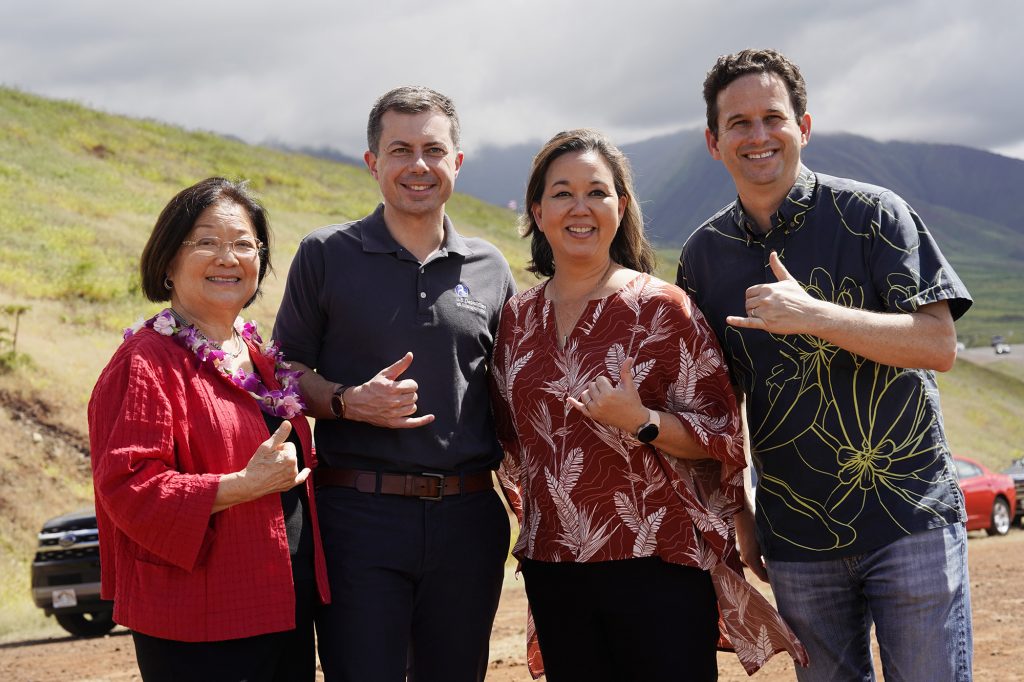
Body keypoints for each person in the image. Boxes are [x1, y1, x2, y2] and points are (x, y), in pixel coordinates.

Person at [676, 49, 974, 682]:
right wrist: (743, 516)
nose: (758, 136)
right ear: (713, 141)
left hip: (909, 521)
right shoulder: (703, 257)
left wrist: (817, 316)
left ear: (803, 128)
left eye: (773, 118)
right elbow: (715, 408)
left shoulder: (874, 216)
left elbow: (937, 345)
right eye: (739, 123)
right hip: (796, 538)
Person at [491, 128, 807, 682]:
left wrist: (641, 422)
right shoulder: (516, 319)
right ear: (538, 212)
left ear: (622, 206)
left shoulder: (663, 309)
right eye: (562, 193)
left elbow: (721, 438)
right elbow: (511, 441)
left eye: (597, 191)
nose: (580, 207)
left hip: (656, 560)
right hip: (554, 566)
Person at [272, 86, 515, 682]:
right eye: (400, 149)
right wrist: (349, 402)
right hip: (356, 515)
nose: (418, 165)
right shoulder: (326, 254)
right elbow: (283, 374)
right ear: (372, 162)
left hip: (469, 518)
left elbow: (512, 393)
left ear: (456, 163)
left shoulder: (490, 268)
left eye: (434, 149)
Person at [88, 177, 330, 682]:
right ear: (169, 262)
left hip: (285, 602)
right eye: (207, 242)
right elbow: (129, 487)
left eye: (244, 244)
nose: (228, 258)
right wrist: (244, 486)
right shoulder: (146, 361)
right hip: (200, 618)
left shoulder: (258, 355)